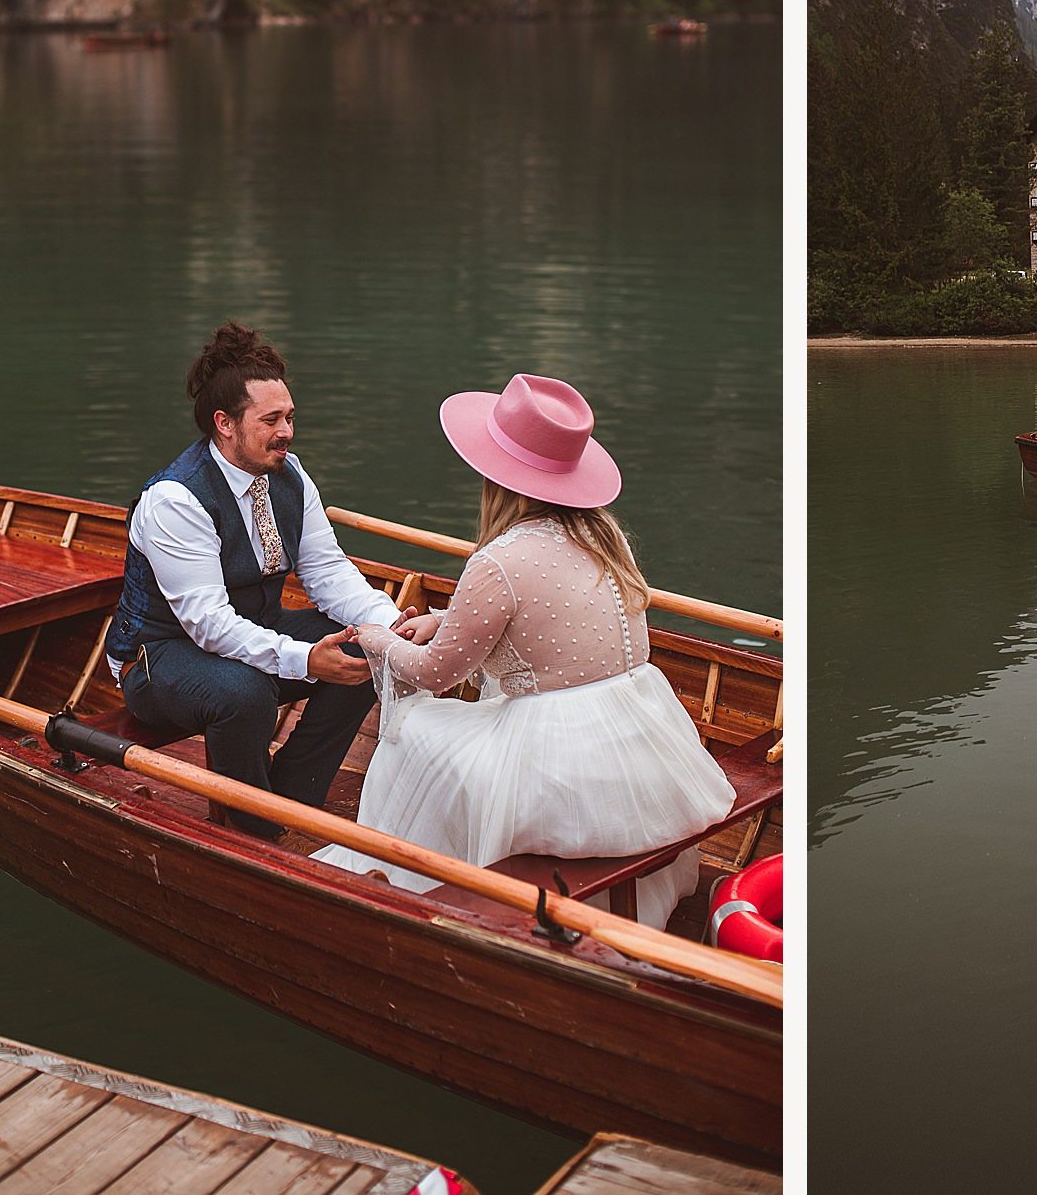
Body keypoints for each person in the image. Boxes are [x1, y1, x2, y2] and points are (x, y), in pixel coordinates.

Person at [313, 374, 736, 930]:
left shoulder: (498, 562)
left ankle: (419, 883)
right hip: (639, 735)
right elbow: (550, 627)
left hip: (556, 753)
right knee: (450, 723)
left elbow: (436, 674)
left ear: (496, 477)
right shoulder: (604, 537)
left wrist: (378, 639)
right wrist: (444, 620)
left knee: (411, 730)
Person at [105, 322, 412, 840]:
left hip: (255, 629)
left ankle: (292, 796)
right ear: (225, 423)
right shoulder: (176, 500)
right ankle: (251, 830)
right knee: (243, 693)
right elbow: (208, 624)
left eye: (289, 416)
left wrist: (389, 626)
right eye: (271, 419)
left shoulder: (290, 475)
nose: (287, 431)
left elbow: (327, 571)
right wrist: (306, 659)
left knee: (368, 651)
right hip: (161, 656)